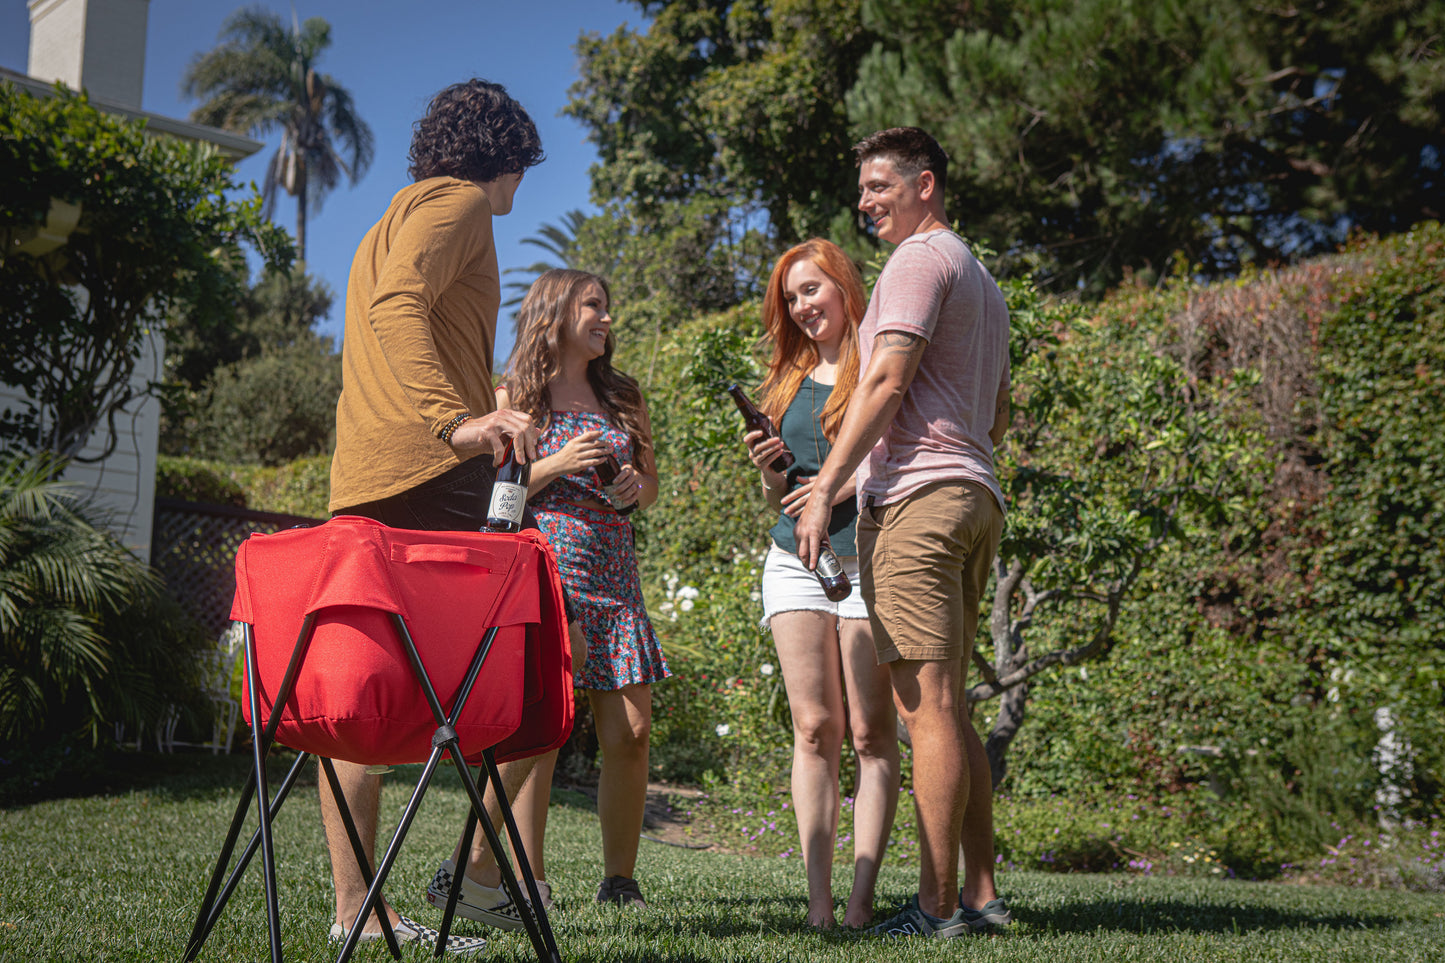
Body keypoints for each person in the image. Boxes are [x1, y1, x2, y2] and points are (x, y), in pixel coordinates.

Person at [323, 78, 545, 953]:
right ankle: (477, 881)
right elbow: (397, 306)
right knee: (528, 675)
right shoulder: (460, 205)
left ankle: (356, 909)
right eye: (522, 172)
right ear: (506, 156)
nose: (521, 191)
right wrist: (454, 421)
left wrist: (474, 393)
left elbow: (406, 321)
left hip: (369, 474)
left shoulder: (396, 212)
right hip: (427, 472)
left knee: (363, 697)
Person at [794, 127, 1014, 939]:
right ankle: (983, 896)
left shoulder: (918, 263)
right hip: (972, 492)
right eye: (861, 191)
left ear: (926, 182)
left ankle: (932, 906)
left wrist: (823, 491)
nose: (865, 202)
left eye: (880, 186)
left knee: (926, 710)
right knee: (948, 709)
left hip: (920, 506)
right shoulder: (979, 276)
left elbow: (885, 377)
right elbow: (996, 411)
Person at [428, 268, 667, 922]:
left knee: (632, 731)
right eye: (594, 305)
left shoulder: (621, 394)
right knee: (546, 724)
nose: (606, 317)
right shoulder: (515, 396)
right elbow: (493, 499)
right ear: (556, 311)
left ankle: (619, 879)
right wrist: (556, 466)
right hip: (544, 566)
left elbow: (648, 481)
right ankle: (529, 879)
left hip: (614, 567)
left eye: (607, 307)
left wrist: (632, 490)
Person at [741, 239, 899, 929]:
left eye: (813, 289)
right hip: (793, 563)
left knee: (869, 733)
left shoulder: (883, 368)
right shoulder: (786, 376)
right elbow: (782, 489)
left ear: (843, 285)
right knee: (813, 728)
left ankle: (862, 901)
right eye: (792, 297)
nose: (803, 306)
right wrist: (772, 472)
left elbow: (894, 458)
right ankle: (818, 906)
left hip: (864, 559)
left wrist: (834, 488)